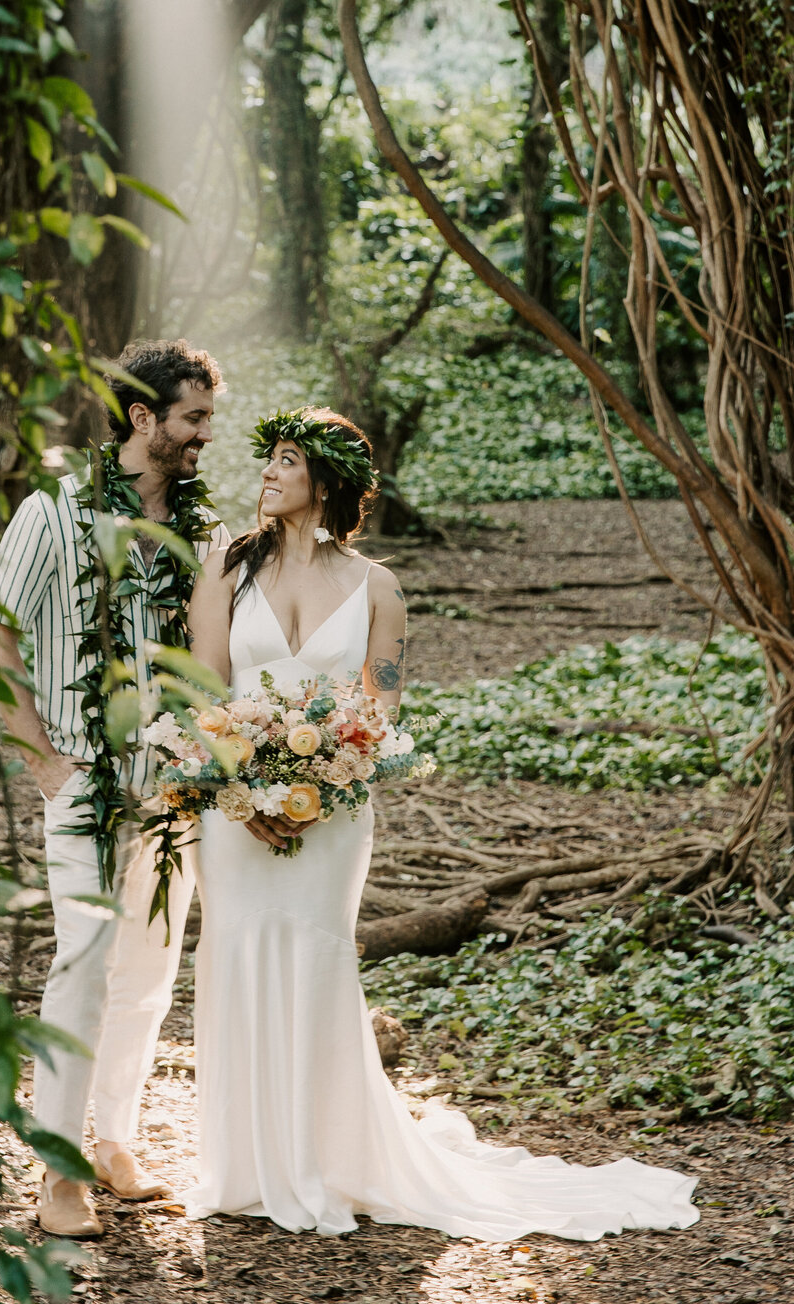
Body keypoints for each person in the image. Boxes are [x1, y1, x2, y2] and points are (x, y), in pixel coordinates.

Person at [184, 406, 699, 1240]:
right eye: (268, 461)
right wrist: (244, 791)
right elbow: (205, 689)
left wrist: (324, 776)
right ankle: (242, 1165)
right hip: (234, 810)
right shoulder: (226, 571)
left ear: (324, 482)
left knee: (316, 963)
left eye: (284, 460)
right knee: (235, 954)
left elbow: (379, 705)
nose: (267, 473)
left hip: (334, 811)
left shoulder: (378, 588)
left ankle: (323, 1161)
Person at [0, 339, 226, 1238]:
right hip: (85, 782)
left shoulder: (200, 530)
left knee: (149, 974)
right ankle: (55, 1177)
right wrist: (49, 766)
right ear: (142, 419)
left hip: (171, 790)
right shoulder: (50, 517)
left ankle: (115, 1141)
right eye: (193, 417)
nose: (207, 433)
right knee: (82, 970)